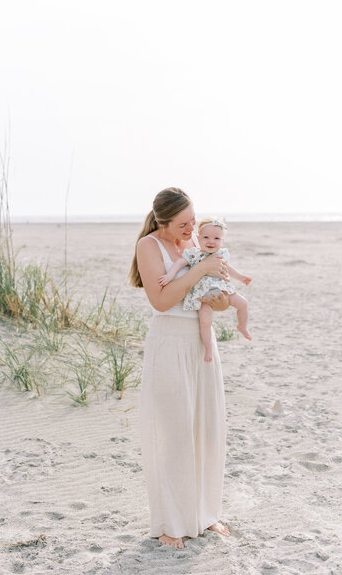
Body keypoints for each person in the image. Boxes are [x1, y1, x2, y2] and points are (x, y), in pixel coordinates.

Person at [129, 187, 231, 550]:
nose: (192, 227)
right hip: (169, 344)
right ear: (163, 221)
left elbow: (212, 301)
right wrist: (201, 268)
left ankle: (204, 515)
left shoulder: (198, 246)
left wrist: (219, 299)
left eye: (194, 219)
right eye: (184, 223)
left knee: (207, 428)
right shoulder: (149, 247)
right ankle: (170, 523)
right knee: (173, 435)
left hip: (202, 345)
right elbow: (161, 300)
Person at [158, 216, 252, 362]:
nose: (211, 241)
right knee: (205, 322)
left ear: (222, 241)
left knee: (243, 303)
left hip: (223, 290)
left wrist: (241, 277)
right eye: (206, 237)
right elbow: (179, 263)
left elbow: (228, 268)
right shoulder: (194, 254)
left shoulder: (220, 255)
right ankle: (208, 350)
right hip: (203, 296)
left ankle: (242, 326)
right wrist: (170, 275)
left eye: (216, 238)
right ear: (199, 238)